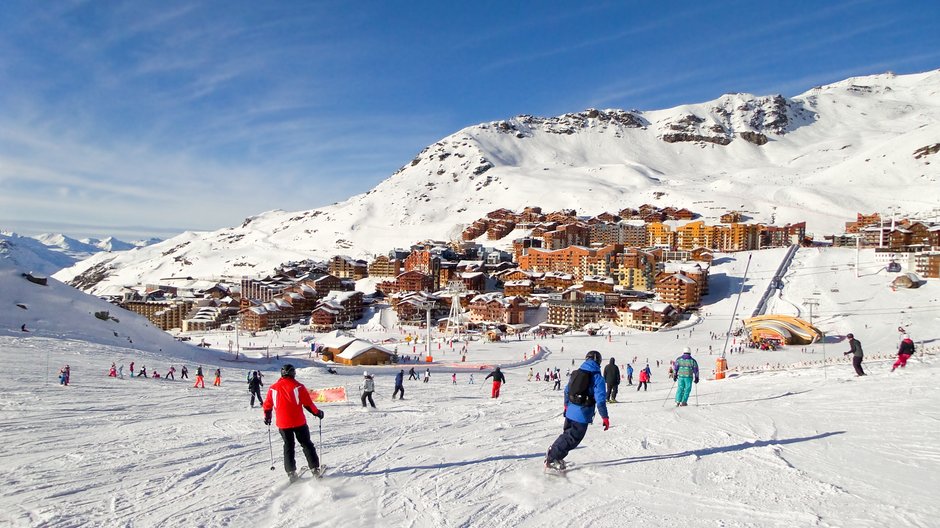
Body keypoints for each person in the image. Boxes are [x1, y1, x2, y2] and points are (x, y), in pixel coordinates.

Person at [545, 351, 609, 471]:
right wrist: (605, 417)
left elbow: (566, 391)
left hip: (570, 410)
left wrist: (566, 406)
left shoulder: (576, 373)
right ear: (598, 361)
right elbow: (600, 401)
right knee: (572, 439)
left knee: (567, 435)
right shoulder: (597, 378)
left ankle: (555, 455)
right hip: (582, 413)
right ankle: (552, 458)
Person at [263, 364, 324, 482]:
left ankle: (291, 472)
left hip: (283, 424)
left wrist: (268, 417)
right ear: (292, 373)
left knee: (288, 445)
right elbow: (308, 404)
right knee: (306, 444)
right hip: (298, 422)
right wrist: (318, 413)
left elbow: (267, 405)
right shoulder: (299, 387)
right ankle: (315, 469)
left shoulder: (273, 388)